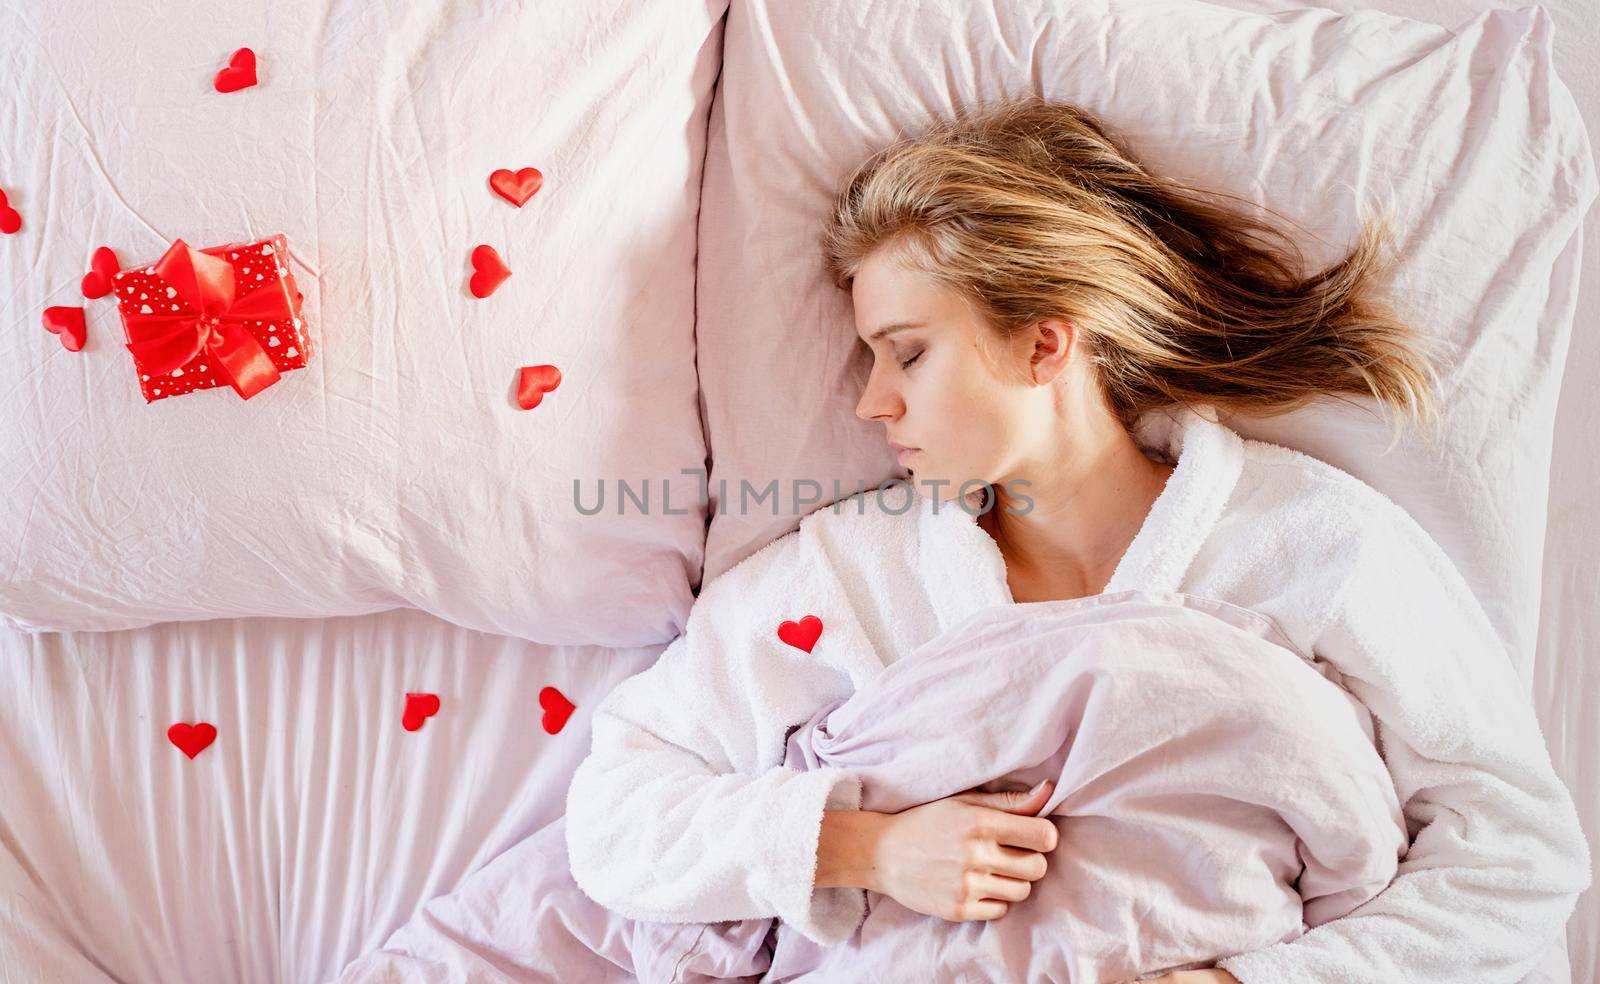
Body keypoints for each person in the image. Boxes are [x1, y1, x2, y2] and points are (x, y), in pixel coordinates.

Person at [336, 96, 1590, 983]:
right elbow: (620, 813)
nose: (872, 404)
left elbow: (1517, 853)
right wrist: (863, 844)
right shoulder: (848, 578)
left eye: (907, 353)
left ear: (1046, 341)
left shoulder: (1315, 547)